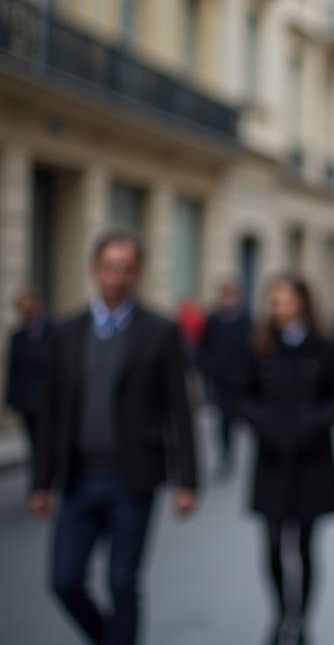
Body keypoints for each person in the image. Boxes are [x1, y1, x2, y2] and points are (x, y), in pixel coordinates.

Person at [29, 227, 198, 645]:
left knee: (123, 582)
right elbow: (51, 413)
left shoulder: (159, 331)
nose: (116, 278)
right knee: (64, 581)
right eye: (109, 268)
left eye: (125, 269)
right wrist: (41, 482)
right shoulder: (67, 332)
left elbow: (180, 410)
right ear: (94, 270)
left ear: (137, 273)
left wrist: (188, 480)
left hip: (132, 477)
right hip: (79, 477)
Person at [239, 273, 334, 645]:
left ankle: (301, 619)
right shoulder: (260, 348)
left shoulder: (324, 347)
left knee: (304, 546)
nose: (276, 307)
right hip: (271, 460)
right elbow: (242, 395)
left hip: (311, 461)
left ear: (302, 303)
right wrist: (264, 423)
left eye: (283, 300)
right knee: (271, 544)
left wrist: (314, 423)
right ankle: (280, 613)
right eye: (272, 301)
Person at [197, 282, 253, 475]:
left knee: (234, 417)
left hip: (238, 379)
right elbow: (204, 346)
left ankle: (232, 450)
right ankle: (225, 453)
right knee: (221, 417)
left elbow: (251, 348)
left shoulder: (245, 320)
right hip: (219, 378)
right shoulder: (213, 319)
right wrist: (208, 368)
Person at [5, 286, 52, 486]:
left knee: (48, 440)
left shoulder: (54, 332)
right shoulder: (18, 337)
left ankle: (48, 477)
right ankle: (39, 480)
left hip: (48, 400)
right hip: (28, 401)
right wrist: (10, 400)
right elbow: (14, 370)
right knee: (33, 442)